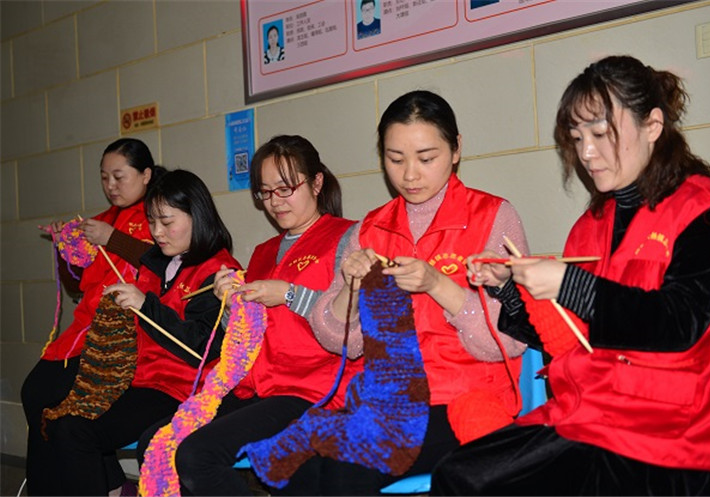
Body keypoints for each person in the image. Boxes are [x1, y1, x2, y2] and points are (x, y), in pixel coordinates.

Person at [431, 55, 710, 496]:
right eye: (577, 137)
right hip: (593, 416)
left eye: (601, 134)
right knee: (460, 474)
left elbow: (679, 322)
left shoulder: (703, 208)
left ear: (653, 125)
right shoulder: (590, 226)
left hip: (674, 433)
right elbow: (568, 335)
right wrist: (509, 289)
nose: (586, 153)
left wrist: (569, 284)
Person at [243, 90, 528, 495]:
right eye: (395, 159)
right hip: (387, 403)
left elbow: (510, 340)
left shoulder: (492, 217)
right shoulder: (370, 230)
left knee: (347, 467)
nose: (410, 175)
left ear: (456, 149)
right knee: (293, 462)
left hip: (465, 401)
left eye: (426, 158)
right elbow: (341, 342)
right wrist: (351, 290)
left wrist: (439, 285)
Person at [135, 135, 362, 495]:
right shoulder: (263, 252)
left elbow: (353, 325)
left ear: (317, 183)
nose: (275, 202)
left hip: (314, 388)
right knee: (156, 440)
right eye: (265, 192)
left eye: (285, 189)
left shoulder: (348, 238)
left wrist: (287, 294)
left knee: (197, 455)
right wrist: (229, 306)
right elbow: (247, 333)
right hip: (259, 385)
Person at [42, 169, 239, 496]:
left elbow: (201, 348)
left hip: (181, 389)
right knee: (60, 417)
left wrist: (145, 306)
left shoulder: (218, 272)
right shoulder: (159, 260)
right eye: (152, 221)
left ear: (197, 216)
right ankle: (116, 488)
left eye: (167, 221)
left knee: (76, 430)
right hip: (140, 379)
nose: (157, 232)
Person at [21, 138, 162, 496]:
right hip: (83, 332)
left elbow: (164, 263)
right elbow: (77, 285)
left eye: (119, 176)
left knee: (57, 403)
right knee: (35, 393)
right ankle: (99, 483)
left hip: (123, 338)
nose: (111, 185)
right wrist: (65, 251)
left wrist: (113, 239)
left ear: (146, 175)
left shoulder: (159, 216)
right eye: (104, 177)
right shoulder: (99, 221)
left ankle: (92, 485)